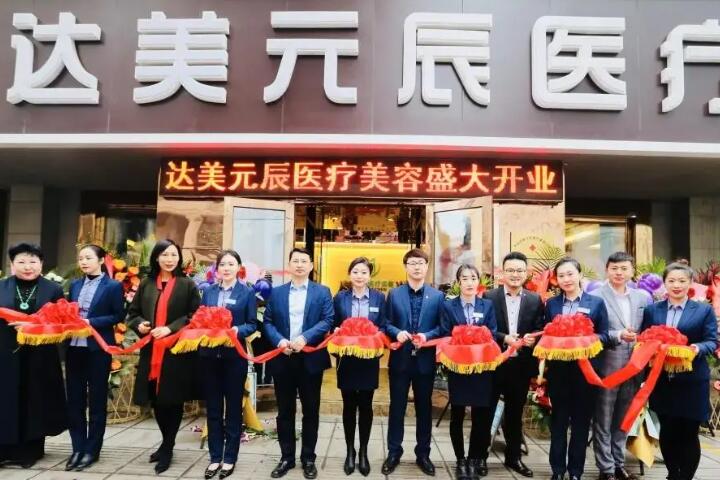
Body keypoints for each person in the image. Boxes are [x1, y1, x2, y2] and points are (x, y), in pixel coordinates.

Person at [127, 239, 201, 474]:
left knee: (172, 400)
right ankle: (166, 442)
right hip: (151, 352)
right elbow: (133, 313)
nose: (170, 259)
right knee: (157, 400)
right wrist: (140, 324)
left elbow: (195, 315)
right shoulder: (147, 284)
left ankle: (167, 447)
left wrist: (170, 328)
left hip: (176, 352)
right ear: (156, 258)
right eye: (165, 255)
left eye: (174, 255)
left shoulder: (187, 284)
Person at [640, 262, 717, 480]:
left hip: (692, 380)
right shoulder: (652, 310)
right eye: (671, 280)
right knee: (668, 430)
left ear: (690, 283)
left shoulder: (703, 310)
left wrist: (696, 348)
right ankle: (673, 473)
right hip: (663, 380)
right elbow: (645, 340)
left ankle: (686, 477)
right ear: (664, 283)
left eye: (682, 281)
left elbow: (712, 341)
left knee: (689, 432)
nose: (677, 285)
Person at [263, 248, 334, 480]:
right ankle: (286, 457)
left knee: (311, 411)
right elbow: (268, 321)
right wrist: (280, 341)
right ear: (289, 265)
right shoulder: (277, 292)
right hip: (283, 358)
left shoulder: (322, 291)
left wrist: (305, 338)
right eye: (296, 261)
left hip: (310, 360)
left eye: (304, 261)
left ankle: (308, 458)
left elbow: (328, 320)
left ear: (311, 266)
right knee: (285, 411)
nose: (300, 265)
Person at [0, 243, 66, 468]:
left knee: (35, 399)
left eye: (33, 261)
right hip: (6, 354)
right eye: (21, 262)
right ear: (12, 264)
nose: (27, 266)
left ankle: (30, 451)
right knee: (6, 399)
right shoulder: (2, 287)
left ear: (41, 264)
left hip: (40, 356)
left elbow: (60, 323)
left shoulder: (53, 290)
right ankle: (4, 449)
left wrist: (33, 326)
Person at [382, 248, 446, 477]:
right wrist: (396, 332)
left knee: (424, 409)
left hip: (425, 362)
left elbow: (442, 327)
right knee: (397, 408)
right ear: (405, 267)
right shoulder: (394, 294)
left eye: (421, 263)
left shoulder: (437, 296)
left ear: (427, 267)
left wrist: (427, 337)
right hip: (400, 361)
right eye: (412, 263)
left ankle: (423, 454)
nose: (417, 267)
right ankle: (393, 452)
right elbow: (385, 323)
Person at [544, 257, 609, 480]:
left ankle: (575, 472)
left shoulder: (596, 303)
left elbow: (605, 336)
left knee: (581, 425)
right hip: (559, 373)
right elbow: (546, 334)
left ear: (580, 275)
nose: (566, 279)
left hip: (586, 372)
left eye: (570, 274)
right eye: (561, 276)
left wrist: (584, 338)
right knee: (558, 423)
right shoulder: (552, 304)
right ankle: (557, 470)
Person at [484, 251, 544, 478]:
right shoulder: (489, 297)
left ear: (526, 273)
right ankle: (480, 457)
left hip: (520, 366)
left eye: (519, 270)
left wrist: (532, 338)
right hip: (495, 363)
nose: (515, 274)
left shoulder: (535, 299)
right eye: (510, 270)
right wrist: (504, 338)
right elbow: (485, 329)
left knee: (515, 413)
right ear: (502, 272)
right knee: (486, 411)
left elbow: (540, 327)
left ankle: (513, 457)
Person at [65, 244, 125, 471]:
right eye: (81, 258)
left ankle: (92, 450)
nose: (83, 262)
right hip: (74, 348)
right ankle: (77, 448)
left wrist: (91, 322)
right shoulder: (74, 284)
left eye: (88, 258)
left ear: (101, 260)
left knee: (97, 401)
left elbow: (118, 315)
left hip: (98, 349)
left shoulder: (113, 286)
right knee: (75, 401)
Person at [591, 252, 650, 480]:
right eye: (614, 268)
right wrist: (617, 334)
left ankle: (618, 463)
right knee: (603, 419)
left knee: (624, 419)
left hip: (635, 367)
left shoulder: (642, 298)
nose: (619, 273)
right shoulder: (595, 297)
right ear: (607, 270)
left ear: (632, 271)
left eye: (624, 268)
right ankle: (606, 468)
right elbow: (591, 332)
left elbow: (646, 330)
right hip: (607, 366)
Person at [200, 250, 257, 480]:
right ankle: (215, 457)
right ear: (217, 268)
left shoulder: (247, 292)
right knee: (213, 408)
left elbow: (252, 324)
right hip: (209, 357)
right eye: (222, 264)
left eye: (231, 264)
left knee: (233, 409)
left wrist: (237, 330)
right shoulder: (208, 291)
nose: (226, 268)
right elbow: (201, 319)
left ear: (238, 268)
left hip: (234, 357)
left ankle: (230, 458)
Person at [441, 264, 497, 480]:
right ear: (458, 283)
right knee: (456, 416)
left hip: (481, 369)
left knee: (480, 417)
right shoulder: (448, 306)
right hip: (458, 370)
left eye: (473, 278)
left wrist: (478, 336)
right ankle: (460, 460)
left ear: (478, 281)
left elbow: (492, 333)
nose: (469, 282)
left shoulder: (487, 305)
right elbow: (445, 335)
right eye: (464, 278)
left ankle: (474, 459)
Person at [332, 257, 387, 477]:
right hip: (346, 359)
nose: (359, 276)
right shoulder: (340, 298)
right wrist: (337, 331)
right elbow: (333, 323)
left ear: (370, 275)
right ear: (349, 274)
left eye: (364, 272)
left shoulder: (379, 298)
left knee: (365, 405)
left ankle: (363, 452)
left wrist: (376, 334)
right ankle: (350, 452)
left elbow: (384, 325)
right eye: (355, 272)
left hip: (368, 359)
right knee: (348, 405)